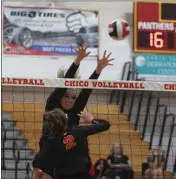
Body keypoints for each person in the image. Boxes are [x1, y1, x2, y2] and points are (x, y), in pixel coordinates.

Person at [32, 108, 111, 179]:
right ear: (65, 120)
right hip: (84, 175)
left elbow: (37, 161)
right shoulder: (79, 131)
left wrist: (37, 174)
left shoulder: (51, 141)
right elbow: (106, 124)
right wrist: (92, 120)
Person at [45, 46, 113, 127]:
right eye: (66, 96)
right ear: (60, 96)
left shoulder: (76, 109)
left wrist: (99, 68)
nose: (70, 101)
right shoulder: (52, 105)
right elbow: (63, 85)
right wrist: (78, 59)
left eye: (74, 98)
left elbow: (86, 91)